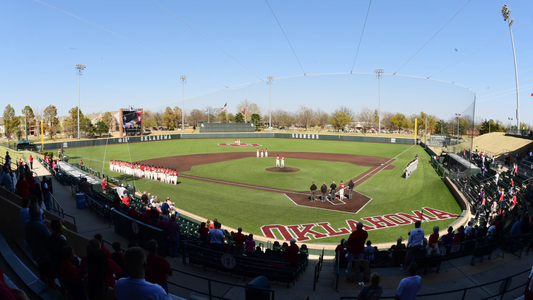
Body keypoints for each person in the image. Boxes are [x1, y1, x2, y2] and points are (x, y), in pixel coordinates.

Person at [24, 204, 55, 288]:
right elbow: (50, 241)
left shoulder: (26, 224)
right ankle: (53, 293)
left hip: (36, 254)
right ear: (38, 214)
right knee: (51, 277)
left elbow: (27, 239)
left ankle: (44, 289)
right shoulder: (42, 226)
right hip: (46, 257)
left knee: (42, 273)